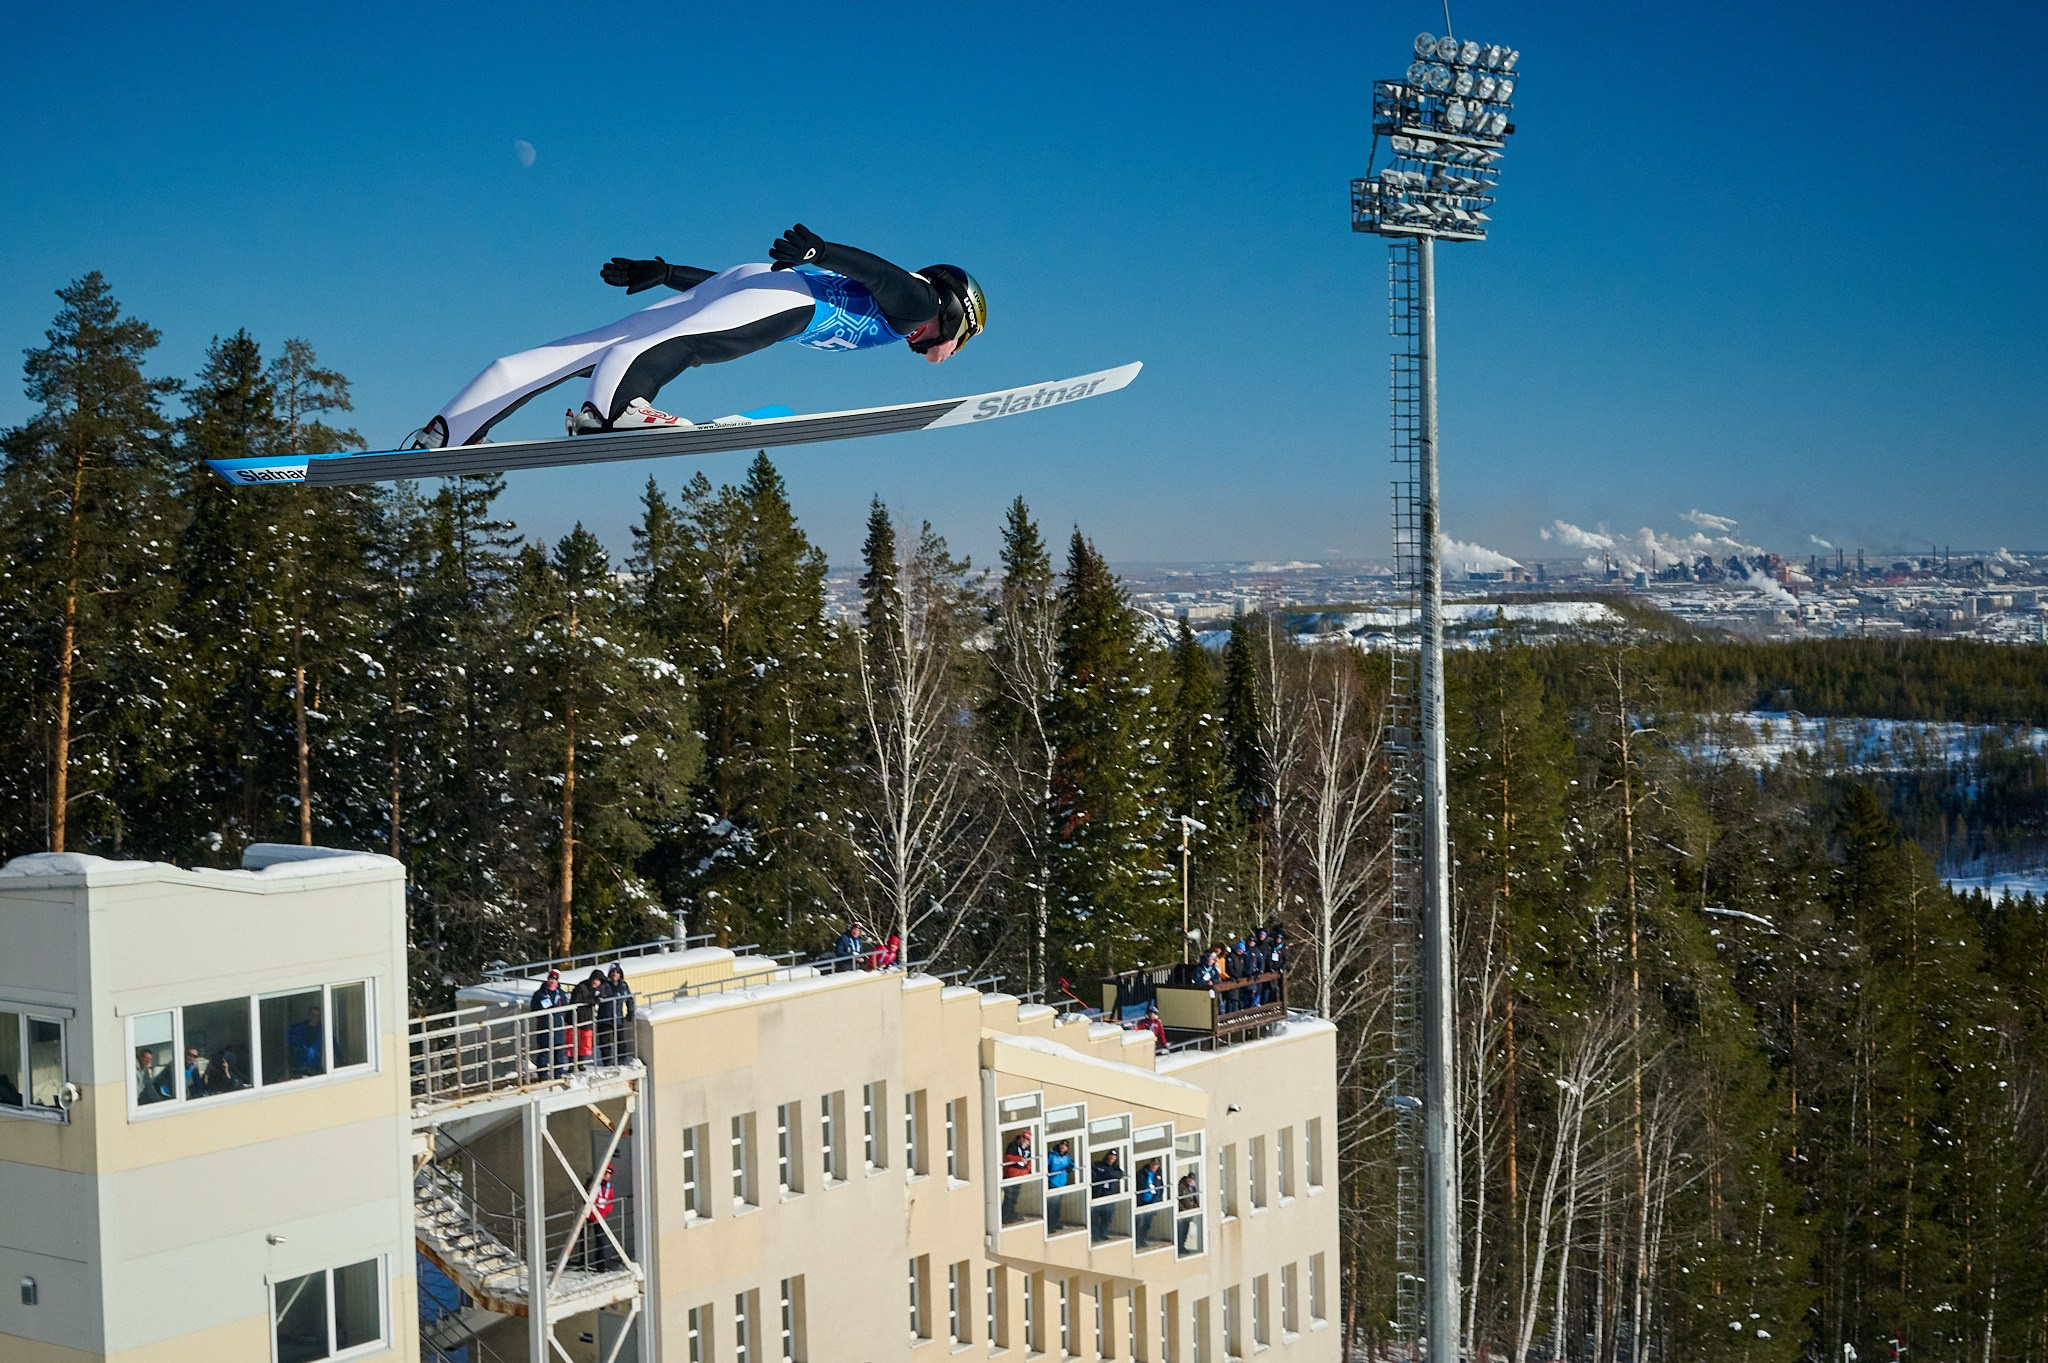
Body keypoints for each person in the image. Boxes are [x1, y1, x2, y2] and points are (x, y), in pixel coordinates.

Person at [404, 223, 987, 449]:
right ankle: (613, 410)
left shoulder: (911, 312)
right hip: (792, 297)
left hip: (749, 285)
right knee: (684, 345)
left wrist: (667, 275)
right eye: (959, 339)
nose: (947, 352)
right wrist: (824, 251)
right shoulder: (917, 303)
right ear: (955, 314)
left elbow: (730, 294)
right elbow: (880, 272)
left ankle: (450, 426)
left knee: (587, 347)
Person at [531, 969, 570, 1077]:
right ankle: (542, 1075)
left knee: (558, 1052)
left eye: (555, 979)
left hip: (557, 1025)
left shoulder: (560, 993)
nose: (552, 981)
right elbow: (534, 1008)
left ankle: (558, 1074)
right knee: (544, 1051)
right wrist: (543, 1007)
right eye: (551, 979)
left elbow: (565, 1006)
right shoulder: (540, 993)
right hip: (544, 1025)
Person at [583, 1164, 619, 1271]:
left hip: (600, 1216)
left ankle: (600, 1266)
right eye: (605, 1172)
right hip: (589, 1214)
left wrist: (606, 1211)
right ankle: (582, 1263)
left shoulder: (610, 1188)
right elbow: (586, 1194)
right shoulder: (593, 1183)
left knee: (601, 1241)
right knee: (583, 1239)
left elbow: (610, 1202)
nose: (607, 1175)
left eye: (609, 1173)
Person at [599, 964, 636, 1066]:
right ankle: (606, 1061)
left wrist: (631, 1011)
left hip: (618, 1017)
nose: (615, 974)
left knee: (620, 1039)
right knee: (604, 1040)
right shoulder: (604, 985)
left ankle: (621, 1060)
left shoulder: (623, 985)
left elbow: (629, 998)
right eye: (613, 972)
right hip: (605, 1017)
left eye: (617, 972)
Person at [571, 971, 606, 1070]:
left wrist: (595, 1000)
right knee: (573, 1042)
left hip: (587, 1018)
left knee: (586, 1042)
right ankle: (572, 1064)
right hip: (575, 1018)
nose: (596, 982)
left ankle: (580, 1062)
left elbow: (601, 997)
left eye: (598, 980)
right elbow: (576, 1000)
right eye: (594, 979)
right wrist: (591, 1000)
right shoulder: (582, 987)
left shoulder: (601, 988)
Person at [1090, 1149, 1126, 1240]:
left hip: (1109, 1196)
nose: (1111, 1159)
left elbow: (1119, 1174)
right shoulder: (1098, 1165)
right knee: (1095, 1217)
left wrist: (1108, 1173)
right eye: (1110, 1157)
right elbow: (1095, 1176)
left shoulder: (1115, 1167)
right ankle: (1095, 1235)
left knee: (1106, 1217)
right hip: (1098, 1194)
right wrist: (1106, 1174)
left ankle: (1103, 1234)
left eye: (1113, 1158)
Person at [1000, 1129, 1034, 1224]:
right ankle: (1004, 1216)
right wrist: (1019, 1158)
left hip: (1020, 1176)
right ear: (1021, 1138)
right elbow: (1008, 1157)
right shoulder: (1013, 1145)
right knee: (1009, 1198)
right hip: (1011, 1177)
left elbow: (1030, 1160)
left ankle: (1010, 1214)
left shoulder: (1028, 1148)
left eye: (1028, 1140)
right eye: (1025, 1139)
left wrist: (1027, 1170)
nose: (1027, 1142)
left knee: (1014, 1198)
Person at [286, 1003, 326, 1077]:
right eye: (313, 1015)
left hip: (317, 1067)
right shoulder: (299, 1028)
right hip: (301, 1067)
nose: (315, 1018)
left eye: (317, 1016)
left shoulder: (324, 1031)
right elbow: (290, 1040)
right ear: (309, 1015)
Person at [1177, 1170, 1201, 1251]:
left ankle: (1182, 1246)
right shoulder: (1181, 1187)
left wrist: (1196, 1207)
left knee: (1185, 1231)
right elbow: (1177, 1200)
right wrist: (1183, 1209)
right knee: (1181, 1231)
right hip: (1183, 1213)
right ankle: (1179, 1247)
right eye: (1189, 1179)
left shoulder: (1193, 1188)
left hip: (1189, 1214)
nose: (1190, 1181)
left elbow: (1194, 1199)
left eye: (1192, 1180)